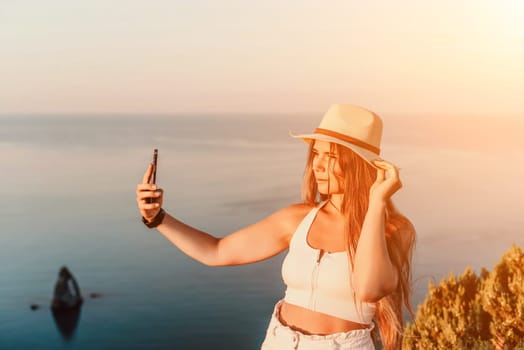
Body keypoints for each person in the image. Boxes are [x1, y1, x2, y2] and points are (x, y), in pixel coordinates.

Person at [136, 104, 416, 349]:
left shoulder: (393, 229)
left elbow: (369, 287)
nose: (317, 165)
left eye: (330, 157)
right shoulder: (298, 218)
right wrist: (158, 218)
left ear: (357, 164)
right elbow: (217, 251)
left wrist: (377, 201)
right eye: (315, 154)